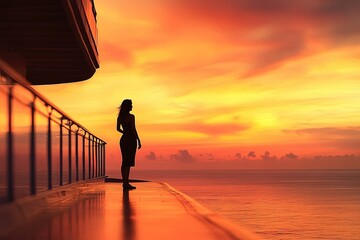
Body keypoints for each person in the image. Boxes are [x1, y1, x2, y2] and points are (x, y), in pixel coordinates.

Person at [117, 99, 141, 190]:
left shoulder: (120, 117)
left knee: (124, 161)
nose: (132, 106)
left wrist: (124, 132)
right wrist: (138, 139)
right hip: (131, 140)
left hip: (124, 139)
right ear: (128, 106)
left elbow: (118, 129)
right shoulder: (131, 117)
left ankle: (125, 182)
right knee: (128, 161)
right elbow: (134, 129)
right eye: (131, 105)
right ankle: (126, 183)